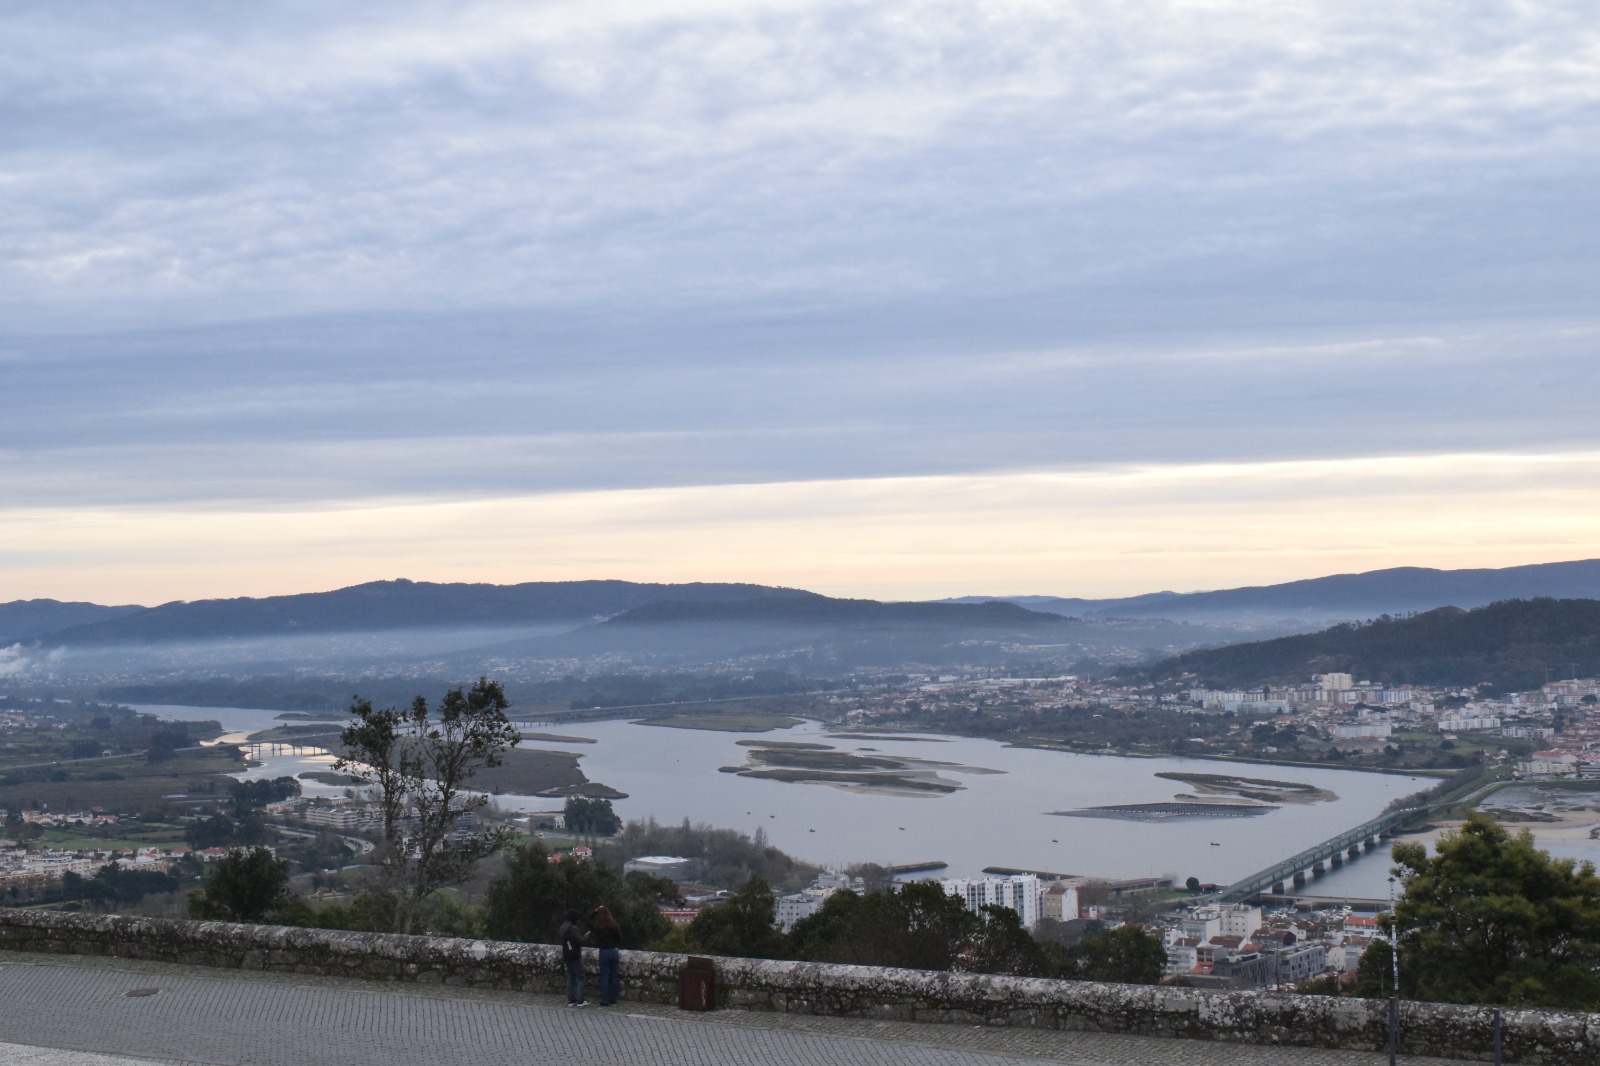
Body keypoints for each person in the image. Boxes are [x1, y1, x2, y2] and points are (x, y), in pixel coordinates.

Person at [591, 905, 622, 1006]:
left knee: (604, 976)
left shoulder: (599, 927)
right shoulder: (614, 925)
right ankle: (613, 998)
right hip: (613, 951)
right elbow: (619, 938)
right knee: (614, 976)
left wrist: (594, 911)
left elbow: (589, 921)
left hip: (604, 951)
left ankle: (605, 999)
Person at [557, 908, 587, 1006]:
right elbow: (580, 941)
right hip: (575, 955)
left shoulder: (562, 928)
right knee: (580, 976)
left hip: (566, 955)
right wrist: (586, 936)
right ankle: (580, 999)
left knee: (570, 977)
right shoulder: (573, 928)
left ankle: (571, 999)